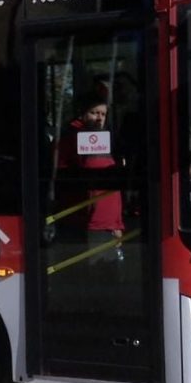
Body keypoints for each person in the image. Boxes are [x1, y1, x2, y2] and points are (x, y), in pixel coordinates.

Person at [55, 92, 125, 261]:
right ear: (83, 114)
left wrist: (117, 223)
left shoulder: (105, 140)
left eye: (103, 114)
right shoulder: (73, 138)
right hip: (90, 221)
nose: (99, 118)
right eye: (94, 113)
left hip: (109, 221)